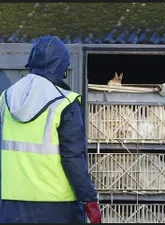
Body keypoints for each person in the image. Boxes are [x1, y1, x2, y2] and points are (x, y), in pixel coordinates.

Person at [0, 35, 101, 223]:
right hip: (57, 207)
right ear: (62, 68)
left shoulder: (6, 99)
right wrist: (89, 200)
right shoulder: (64, 103)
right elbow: (73, 158)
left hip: (11, 206)